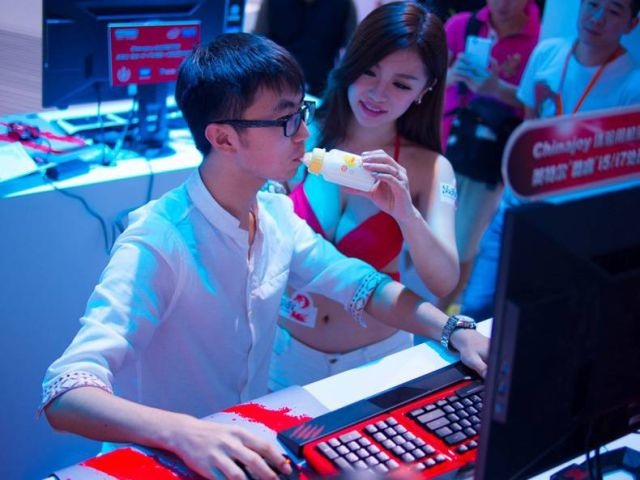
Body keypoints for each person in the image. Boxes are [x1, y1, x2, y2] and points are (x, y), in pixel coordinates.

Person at [40, 33, 489, 480]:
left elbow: (361, 284)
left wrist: (453, 330)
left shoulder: (275, 214)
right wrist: (185, 432)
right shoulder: (158, 240)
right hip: (159, 462)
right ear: (224, 138)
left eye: (301, 112)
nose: (305, 133)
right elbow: (65, 393)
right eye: (285, 120)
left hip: (244, 451)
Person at [269, 1, 460, 391]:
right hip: (285, 351)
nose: (377, 93)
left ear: (424, 91)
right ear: (347, 60)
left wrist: (406, 214)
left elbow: (443, 281)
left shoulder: (430, 168)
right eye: (369, 71)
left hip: (376, 360)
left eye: (401, 84)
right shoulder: (299, 133)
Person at [461, 0, 640, 320]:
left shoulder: (632, 85)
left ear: (631, 24)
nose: (598, 18)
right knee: (476, 308)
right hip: (516, 208)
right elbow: (529, 125)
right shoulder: (548, 53)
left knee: (540, 318)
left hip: (572, 224)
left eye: (613, 11)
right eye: (592, 5)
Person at [436, 0, 541, 314]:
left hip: (489, 159)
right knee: (424, 231)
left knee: (463, 241)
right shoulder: (460, 25)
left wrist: (498, 88)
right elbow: (423, 79)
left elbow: (537, 110)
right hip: (440, 142)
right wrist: (451, 76)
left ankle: (438, 317)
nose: (503, 4)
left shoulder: (539, 41)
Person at [253, 0, 357, 97]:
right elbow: (257, 47)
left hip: (321, 92)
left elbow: (352, 53)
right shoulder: (271, 3)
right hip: (276, 88)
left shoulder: (344, 4)